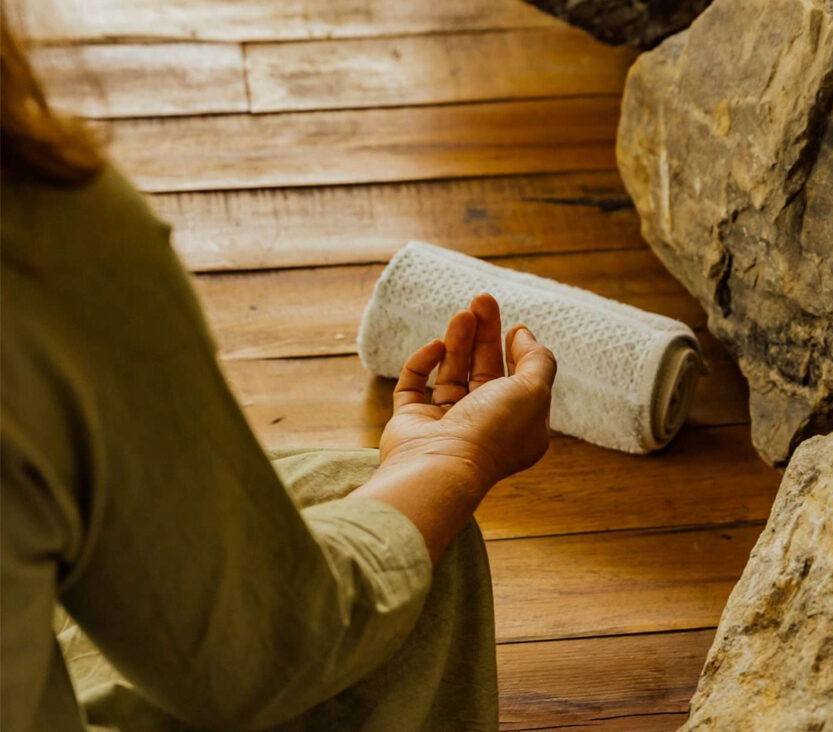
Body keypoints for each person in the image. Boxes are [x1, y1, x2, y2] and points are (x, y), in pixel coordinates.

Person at [0, 17, 557, 732]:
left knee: (341, 488)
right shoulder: (45, 243)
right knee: (423, 552)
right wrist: (451, 458)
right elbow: (257, 652)